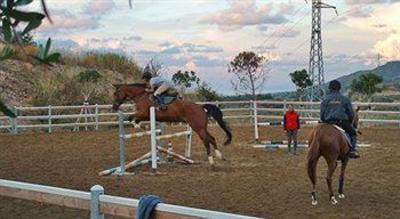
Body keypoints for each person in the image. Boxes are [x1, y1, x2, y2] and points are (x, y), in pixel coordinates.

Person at [320, 80, 360, 159]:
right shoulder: (345, 99)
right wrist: (350, 121)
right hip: (342, 123)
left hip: (328, 123)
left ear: (330, 89)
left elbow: (322, 115)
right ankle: (352, 150)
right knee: (353, 134)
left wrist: (324, 120)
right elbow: (351, 114)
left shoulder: (325, 99)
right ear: (339, 88)